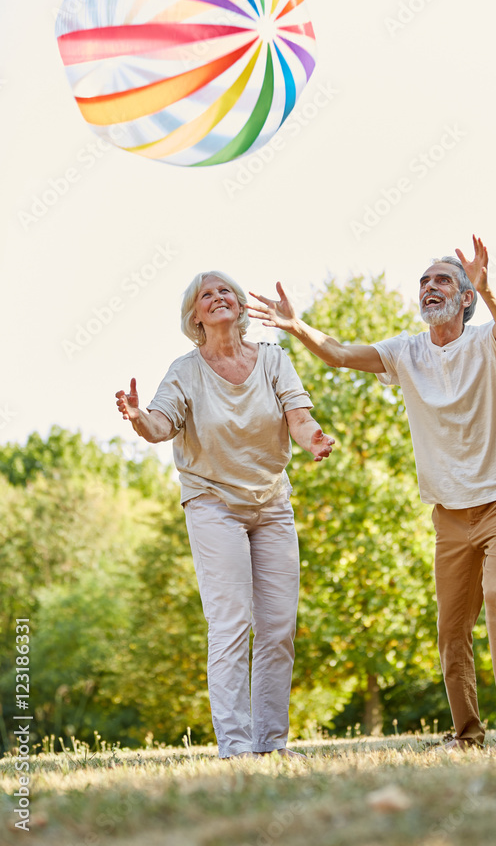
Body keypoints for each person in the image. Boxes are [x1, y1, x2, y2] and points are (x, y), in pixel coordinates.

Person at [249, 235, 496, 752]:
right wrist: (296, 326)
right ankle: (467, 736)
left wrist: (488, 287)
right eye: (424, 281)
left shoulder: (486, 341)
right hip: (450, 512)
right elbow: (339, 354)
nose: (430, 287)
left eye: (443, 281)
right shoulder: (405, 352)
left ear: (465, 298)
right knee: (451, 627)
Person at [115, 270, 334, 760]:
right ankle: (235, 746)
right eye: (206, 294)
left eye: (225, 291)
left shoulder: (273, 359)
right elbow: (160, 424)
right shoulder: (185, 371)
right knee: (231, 621)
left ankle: (270, 744)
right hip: (212, 503)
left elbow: (299, 418)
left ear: (239, 305)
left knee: (278, 627)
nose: (217, 297)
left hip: (271, 503)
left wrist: (315, 440)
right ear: (195, 316)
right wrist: (138, 417)